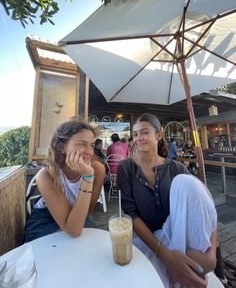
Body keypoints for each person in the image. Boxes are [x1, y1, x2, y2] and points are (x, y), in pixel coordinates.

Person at [117, 113, 217, 288]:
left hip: (181, 234)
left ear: (158, 135)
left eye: (145, 132)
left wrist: (212, 254)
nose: (138, 138)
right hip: (151, 241)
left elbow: (203, 203)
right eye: (135, 134)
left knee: (188, 183)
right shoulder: (126, 168)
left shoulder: (175, 167)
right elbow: (131, 214)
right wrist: (166, 255)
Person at [24, 117, 105, 242]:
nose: (89, 152)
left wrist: (88, 176)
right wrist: (88, 178)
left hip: (78, 215)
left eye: (92, 145)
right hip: (45, 219)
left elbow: (85, 213)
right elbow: (74, 231)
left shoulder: (97, 169)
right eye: (82, 144)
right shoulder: (47, 175)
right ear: (62, 147)